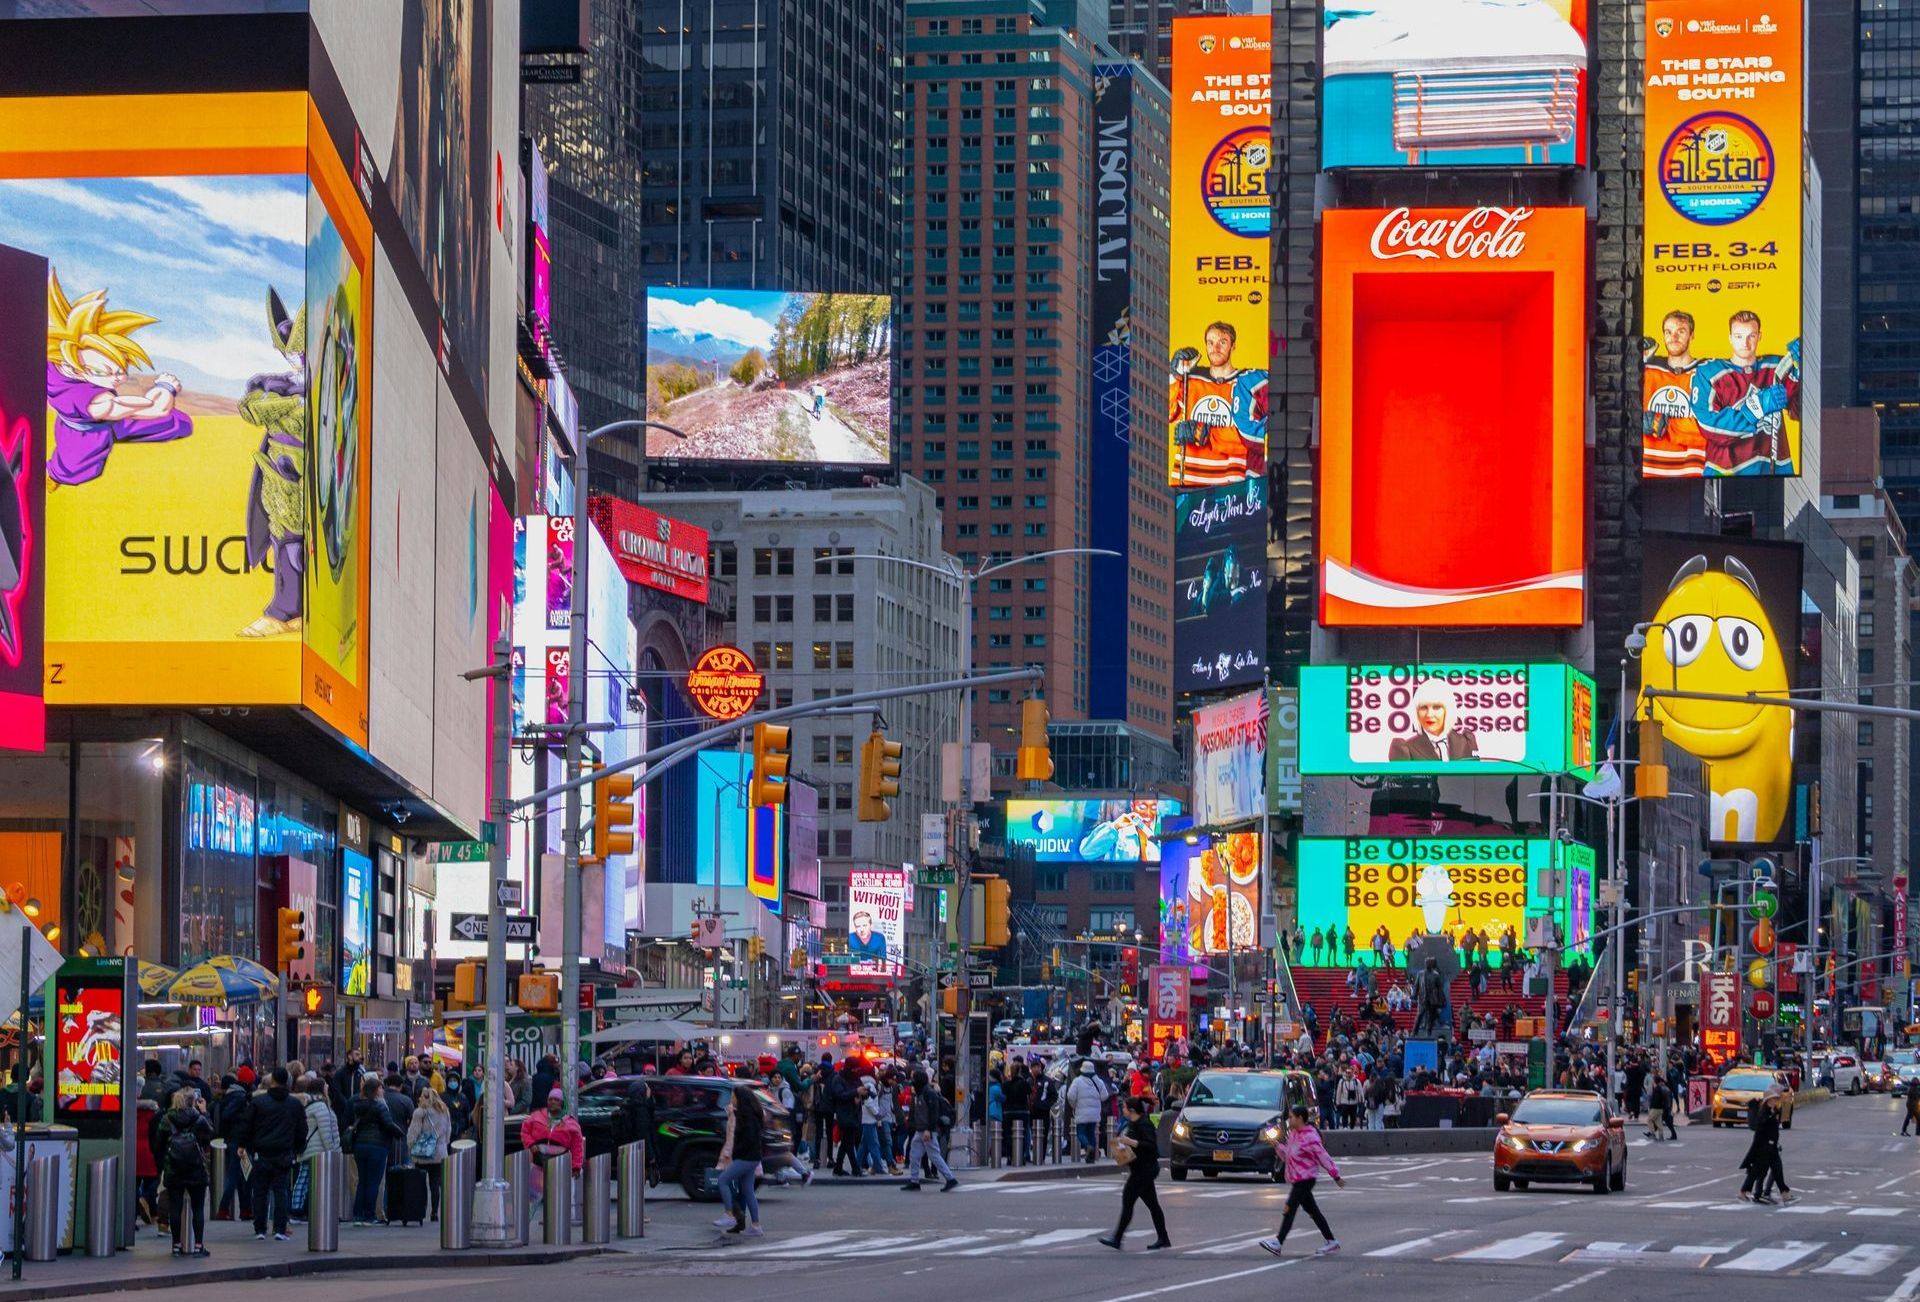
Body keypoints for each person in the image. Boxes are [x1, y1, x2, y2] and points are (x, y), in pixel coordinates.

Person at [1169, 319, 1267, 487]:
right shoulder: (1191, 380)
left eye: (1222, 342)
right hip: (1187, 481)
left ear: (1233, 346)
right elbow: (1168, 413)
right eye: (1210, 342)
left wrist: (1205, 433)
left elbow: (1248, 440)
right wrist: (1174, 375)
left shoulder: (1245, 385)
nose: (1215, 348)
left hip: (1229, 485)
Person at [1260, 1106, 1344, 1257]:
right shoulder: (1294, 1134)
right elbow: (1288, 1155)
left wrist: (1335, 1175)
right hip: (1297, 1177)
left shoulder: (1310, 1137)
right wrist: (1277, 1145)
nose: (1289, 1120)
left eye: (1291, 1117)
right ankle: (1331, 1241)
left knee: (1289, 1208)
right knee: (1313, 1211)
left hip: (1306, 1178)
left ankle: (1278, 1242)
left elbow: (1322, 1156)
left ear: (1300, 1118)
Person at [1099, 1095, 1170, 1251]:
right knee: (1153, 1205)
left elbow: (1151, 1147)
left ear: (1131, 1110)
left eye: (1124, 1108)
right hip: (1140, 1169)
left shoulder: (1144, 1124)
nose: (1122, 1110)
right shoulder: (1133, 1123)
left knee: (1128, 1200)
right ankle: (1163, 1238)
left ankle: (1117, 1238)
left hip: (1145, 1170)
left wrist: (1132, 1142)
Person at [246, 1067, 307, 1242]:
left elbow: (247, 1125)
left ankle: (260, 1228)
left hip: (262, 1151)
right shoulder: (294, 1104)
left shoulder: (259, 1102)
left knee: (260, 1191)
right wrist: (296, 1148)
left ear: (272, 1080)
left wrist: (247, 1145)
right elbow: (302, 1130)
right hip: (284, 1151)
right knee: (281, 1190)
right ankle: (280, 1228)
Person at [156, 1087, 214, 1256]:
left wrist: (164, 1164)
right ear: (193, 1102)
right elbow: (210, 1134)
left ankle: (176, 1245)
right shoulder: (198, 1119)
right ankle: (198, 1245)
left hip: (174, 1169)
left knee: (175, 1207)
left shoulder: (167, 1119)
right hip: (196, 1168)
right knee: (198, 1208)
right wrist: (205, 1113)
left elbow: (158, 1145)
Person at [347, 1076, 405, 1226]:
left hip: (360, 1145)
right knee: (373, 1182)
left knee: (362, 1181)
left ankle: (358, 1215)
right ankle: (369, 1214)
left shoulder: (358, 1106)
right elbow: (388, 1124)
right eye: (380, 1088)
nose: (382, 1090)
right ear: (375, 1090)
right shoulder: (379, 1106)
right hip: (377, 1146)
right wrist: (400, 1133)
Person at [713, 1086, 765, 1237]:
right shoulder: (752, 1115)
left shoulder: (746, 1117)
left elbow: (746, 1139)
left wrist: (735, 1152)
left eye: (733, 1096)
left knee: (723, 1180)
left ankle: (729, 1214)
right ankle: (756, 1225)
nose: (731, 1099)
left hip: (746, 1157)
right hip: (752, 1157)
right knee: (748, 1190)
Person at [522, 1087, 585, 1211]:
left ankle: (555, 1223)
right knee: (531, 1199)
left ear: (562, 1103)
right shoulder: (537, 1116)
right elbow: (525, 1131)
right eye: (550, 1099)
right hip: (538, 1162)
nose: (552, 1102)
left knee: (557, 1197)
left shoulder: (570, 1123)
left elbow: (577, 1146)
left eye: (556, 1099)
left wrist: (576, 1166)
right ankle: (523, 1224)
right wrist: (530, 1144)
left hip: (559, 1164)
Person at [1387, 680, 1481, 762]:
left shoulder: (1466, 742)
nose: (1429, 714)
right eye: (1423, 708)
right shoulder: (1405, 748)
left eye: (1436, 707)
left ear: (1448, 710)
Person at [900, 1069, 959, 1191]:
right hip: (922, 1129)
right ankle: (915, 1180)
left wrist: (929, 1129)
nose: (912, 1080)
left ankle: (950, 1178)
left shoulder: (928, 1093)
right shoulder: (922, 1092)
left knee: (933, 1156)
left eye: (913, 1078)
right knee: (915, 1155)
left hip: (927, 1130)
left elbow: (933, 1113)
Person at [293, 1073, 339, 1220]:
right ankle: (297, 1209)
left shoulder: (310, 1105)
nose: (328, 1088)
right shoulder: (320, 1106)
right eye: (325, 1086)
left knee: (304, 1178)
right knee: (306, 1178)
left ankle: (298, 1207)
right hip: (317, 1150)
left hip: (310, 1148)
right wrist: (331, 1150)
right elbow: (326, 1130)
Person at [407, 1087, 452, 1221]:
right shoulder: (444, 1111)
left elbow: (414, 1132)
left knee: (420, 1184)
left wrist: (410, 1146)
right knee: (435, 1183)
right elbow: (448, 1130)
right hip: (439, 1152)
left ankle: (419, 1211)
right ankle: (434, 1212)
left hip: (422, 1153)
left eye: (421, 1096)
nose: (419, 1098)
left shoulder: (420, 1112)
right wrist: (444, 1144)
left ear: (425, 1097)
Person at [1066, 1059, 1109, 1162]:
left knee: (1080, 1132)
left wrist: (1074, 1105)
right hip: (1094, 1113)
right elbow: (1105, 1096)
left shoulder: (1077, 1081)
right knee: (1091, 1133)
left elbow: (1070, 1096)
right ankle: (1091, 1157)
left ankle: (1087, 1147)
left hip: (1081, 1112)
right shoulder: (1098, 1081)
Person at [1645, 1076, 1677, 1142]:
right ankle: (1660, 1135)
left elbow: (1662, 1100)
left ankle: (1652, 1133)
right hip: (1663, 1108)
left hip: (1662, 1108)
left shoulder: (1661, 1089)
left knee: (1652, 1120)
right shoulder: (1664, 1088)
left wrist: (1668, 1109)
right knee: (1659, 1122)